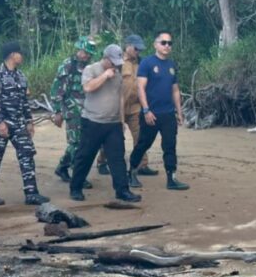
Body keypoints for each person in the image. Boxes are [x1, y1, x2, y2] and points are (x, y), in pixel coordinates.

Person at [69, 44, 141, 203]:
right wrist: (104, 76)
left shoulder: (118, 73)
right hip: (92, 122)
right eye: (113, 62)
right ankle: (76, 188)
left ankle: (122, 190)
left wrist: (121, 120)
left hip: (113, 124)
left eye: (118, 62)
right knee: (85, 156)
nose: (116, 65)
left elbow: (120, 97)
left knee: (118, 158)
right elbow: (87, 87)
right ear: (105, 58)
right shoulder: (91, 69)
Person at [0, 41, 50, 206]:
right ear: (13, 55)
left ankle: (31, 193)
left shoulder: (21, 76)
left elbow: (24, 102)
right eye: (20, 53)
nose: (22, 56)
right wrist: (0, 123)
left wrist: (29, 121)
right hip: (1, 124)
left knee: (27, 155)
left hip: (18, 124)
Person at [128, 30, 190, 190]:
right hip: (151, 114)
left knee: (170, 146)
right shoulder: (147, 63)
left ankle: (172, 178)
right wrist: (146, 110)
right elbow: (140, 88)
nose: (167, 46)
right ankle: (132, 171)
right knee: (143, 144)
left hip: (168, 114)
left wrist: (179, 112)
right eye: (163, 43)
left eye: (169, 43)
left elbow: (175, 90)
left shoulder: (171, 65)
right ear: (155, 45)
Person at [95, 33, 158, 182]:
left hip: (135, 106)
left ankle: (141, 164)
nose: (138, 52)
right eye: (136, 48)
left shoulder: (141, 62)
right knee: (113, 136)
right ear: (127, 46)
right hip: (117, 106)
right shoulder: (117, 62)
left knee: (140, 136)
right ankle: (102, 161)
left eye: (140, 49)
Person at [49, 35, 98, 188]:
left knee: (82, 142)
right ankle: (79, 176)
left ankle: (62, 167)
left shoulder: (90, 66)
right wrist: (57, 112)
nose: (87, 56)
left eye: (89, 54)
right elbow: (57, 90)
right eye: (85, 52)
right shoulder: (68, 65)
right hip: (71, 108)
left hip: (87, 108)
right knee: (77, 143)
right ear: (79, 50)